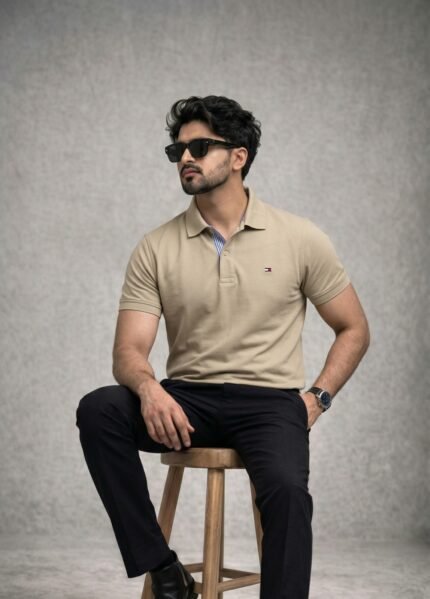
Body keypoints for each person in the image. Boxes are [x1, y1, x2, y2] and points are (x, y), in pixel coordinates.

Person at [76, 95, 370, 599]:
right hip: (187, 401)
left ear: (238, 156)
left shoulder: (300, 237)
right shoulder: (156, 246)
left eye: (199, 147)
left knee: (288, 492)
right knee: (98, 409)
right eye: (178, 151)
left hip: (270, 403)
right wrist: (149, 390)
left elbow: (354, 328)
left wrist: (317, 398)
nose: (185, 158)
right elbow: (128, 350)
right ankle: (164, 570)